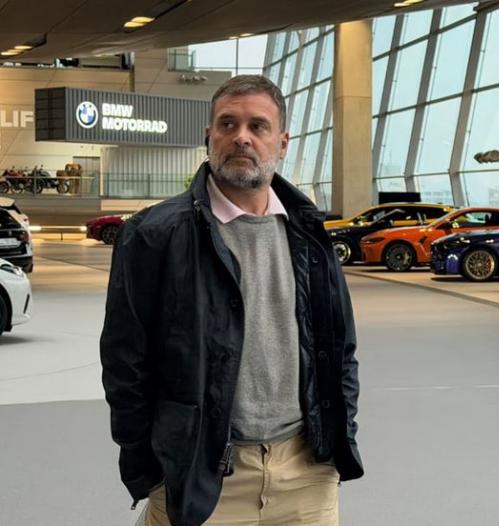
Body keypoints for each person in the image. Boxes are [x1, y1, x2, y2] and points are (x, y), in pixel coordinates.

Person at [100, 75, 364, 526]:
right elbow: (124, 364)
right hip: (201, 477)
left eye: (258, 126)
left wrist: (339, 439)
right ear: (210, 136)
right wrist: (154, 471)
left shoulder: (309, 234)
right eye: (228, 124)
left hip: (306, 474)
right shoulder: (154, 235)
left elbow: (341, 349)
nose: (242, 136)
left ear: (282, 142)